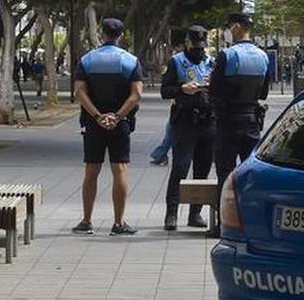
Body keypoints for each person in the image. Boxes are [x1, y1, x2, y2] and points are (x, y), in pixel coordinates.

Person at [72, 18, 144, 236]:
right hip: (120, 124)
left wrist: (97, 116)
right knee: (120, 169)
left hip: (94, 123)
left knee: (91, 170)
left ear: (101, 34)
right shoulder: (130, 61)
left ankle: (86, 221)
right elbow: (137, 94)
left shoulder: (87, 60)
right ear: (121, 35)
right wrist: (118, 116)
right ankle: (119, 223)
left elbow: (79, 92)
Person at [209, 12, 270, 237]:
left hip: (228, 120)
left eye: (228, 26)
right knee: (251, 172)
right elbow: (263, 91)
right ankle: (251, 223)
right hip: (253, 119)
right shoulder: (263, 57)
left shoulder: (227, 55)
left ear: (236, 27)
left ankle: (221, 224)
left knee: (225, 172)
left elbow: (214, 89)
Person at [161, 26, 215, 230]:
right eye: (195, 45)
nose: (199, 49)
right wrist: (182, 89)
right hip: (185, 122)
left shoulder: (211, 62)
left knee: (202, 170)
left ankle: (195, 213)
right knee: (180, 168)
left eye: (202, 46)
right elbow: (165, 91)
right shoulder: (176, 61)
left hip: (208, 122)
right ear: (187, 42)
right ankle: (171, 213)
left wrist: (213, 85)